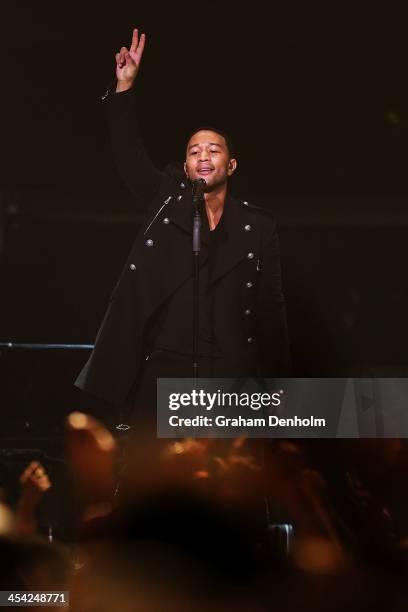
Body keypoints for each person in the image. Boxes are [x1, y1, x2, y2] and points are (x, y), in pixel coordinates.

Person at [75, 28, 290, 420]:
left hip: (229, 371)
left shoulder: (257, 226)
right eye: (194, 151)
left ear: (232, 164)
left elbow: (269, 307)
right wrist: (124, 89)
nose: (203, 156)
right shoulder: (168, 199)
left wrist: (279, 384)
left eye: (213, 149)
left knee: (222, 476)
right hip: (163, 365)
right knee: (153, 471)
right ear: (187, 165)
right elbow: (129, 155)